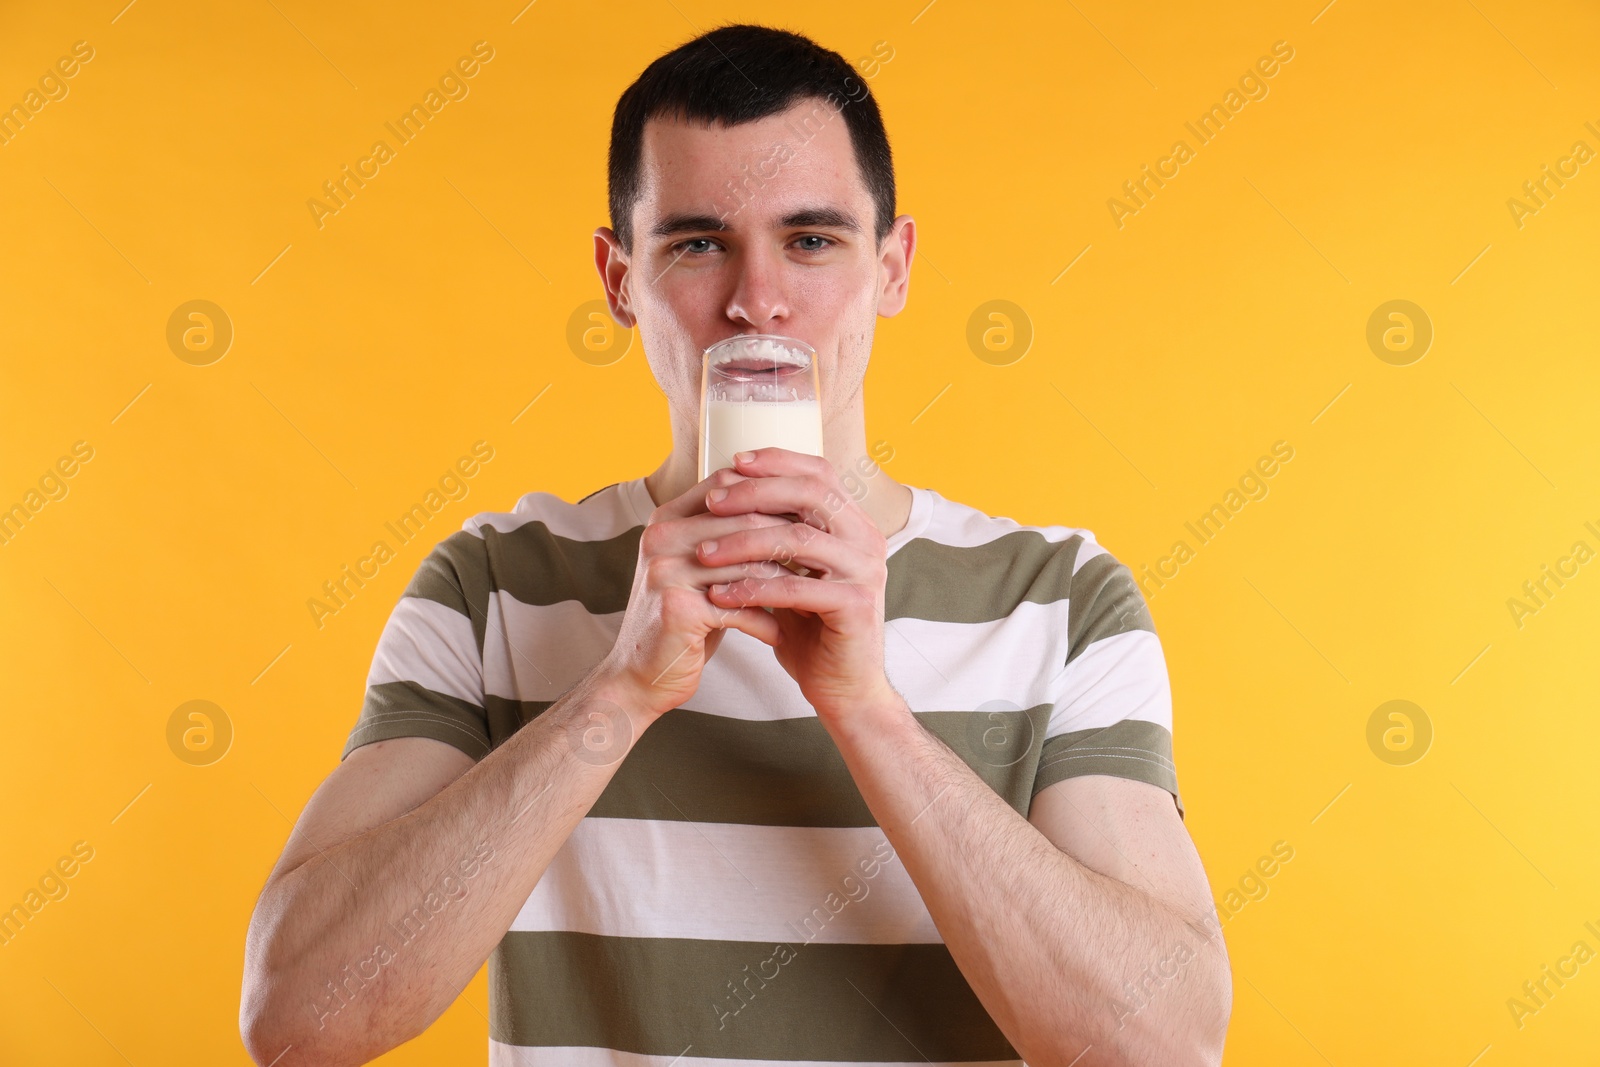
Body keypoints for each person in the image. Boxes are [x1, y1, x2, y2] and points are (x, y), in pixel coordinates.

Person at [241, 23, 1231, 1067]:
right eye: (697, 242)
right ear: (619, 279)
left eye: (811, 240)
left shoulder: (1058, 600)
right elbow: (299, 1018)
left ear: (891, 267)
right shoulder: (493, 585)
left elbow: (1161, 1045)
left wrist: (866, 710)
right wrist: (619, 690)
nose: (757, 299)